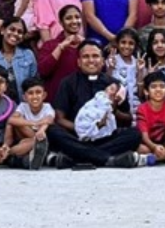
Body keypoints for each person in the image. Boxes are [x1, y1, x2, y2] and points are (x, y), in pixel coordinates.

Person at [46, 40, 143, 168]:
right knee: (53, 131)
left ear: (103, 61)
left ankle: (77, 158)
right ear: (79, 62)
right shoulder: (68, 83)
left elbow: (128, 119)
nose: (91, 60)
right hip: (78, 136)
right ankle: (109, 159)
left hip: (106, 137)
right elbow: (60, 119)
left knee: (134, 134)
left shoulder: (114, 84)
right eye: (86, 56)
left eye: (95, 56)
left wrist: (114, 111)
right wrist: (87, 130)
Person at [0, 17, 38, 103]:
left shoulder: (28, 55)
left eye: (20, 32)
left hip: (21, 109)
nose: (15, 34)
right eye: (12, 29)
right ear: (3, 30)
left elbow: (34, 85)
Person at [37, 5, 84, 103]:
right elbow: (43, 71)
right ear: (61, 22)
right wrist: (61, 47)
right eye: (68, 18)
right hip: (56, 100)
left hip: (81, 101)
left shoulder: (87, 45)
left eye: (77, 17)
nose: (74, 21)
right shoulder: (50, 45)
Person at [8, 77, 55, 150]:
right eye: (30, 93)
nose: (34, 96)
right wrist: (34, 123)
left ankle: (11, 153)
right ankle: (37, 144)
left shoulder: (47, 107)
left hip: (40, 136)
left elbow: (49, 120)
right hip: (26, 136)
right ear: (24, 97)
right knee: (19, 121)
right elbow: (11, 120)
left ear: (44, 95)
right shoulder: (23, 106)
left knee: (28, 143)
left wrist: (41, 130)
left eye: (38, 92)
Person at [107, 28, 142, 116]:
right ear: (117, 44)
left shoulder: (137, 63)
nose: (126, 46)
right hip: (117, 107)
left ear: (135, 46)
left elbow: (140, 93)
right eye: (123, 42)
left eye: (131, 43)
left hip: (135, 107)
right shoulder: (112, 60)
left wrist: (140, 71)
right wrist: (110, 67)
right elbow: (106, 83)